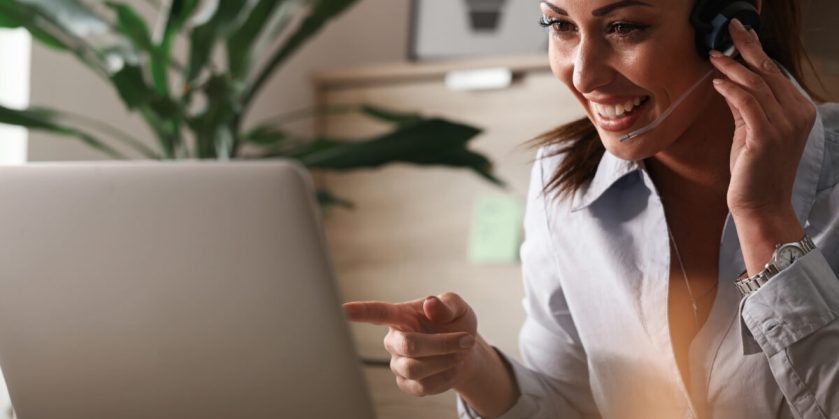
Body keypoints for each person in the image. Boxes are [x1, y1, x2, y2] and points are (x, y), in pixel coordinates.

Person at [343, 0, 839, 417]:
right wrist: (472, 367)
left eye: (624, 27)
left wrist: (767, 220)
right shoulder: (563, 180)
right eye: (560, 26)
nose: (583, 74)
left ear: (731, 25)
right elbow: (573, 404)